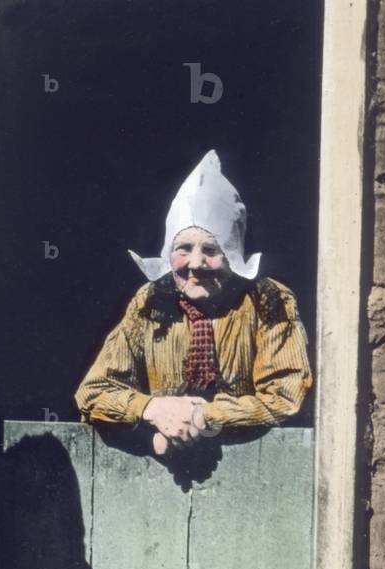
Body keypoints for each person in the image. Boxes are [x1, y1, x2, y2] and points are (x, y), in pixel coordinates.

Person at [75, 150, 312, 452]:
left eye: (211, 251)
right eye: (184, 248)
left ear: (232, 255)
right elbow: (93, 392)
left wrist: (201, 416)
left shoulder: (266, 299)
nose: (195, 263)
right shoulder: (150, 302)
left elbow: (285, 397)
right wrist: (154, 409)